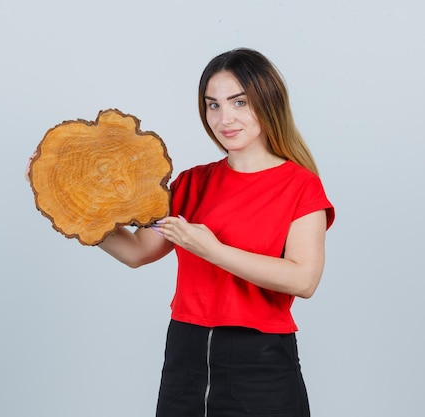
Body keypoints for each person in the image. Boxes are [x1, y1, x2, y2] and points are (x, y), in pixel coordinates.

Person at [27, 47, 334, 417]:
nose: (225, 118)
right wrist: (75, 206)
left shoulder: (300, 186)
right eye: (213, 105)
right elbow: (139, 252)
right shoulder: (193, 183)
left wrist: (212, 249)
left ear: (268, 102)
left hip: (262, 362)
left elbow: (304, 279)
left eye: (239, 102)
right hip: (185, 355)